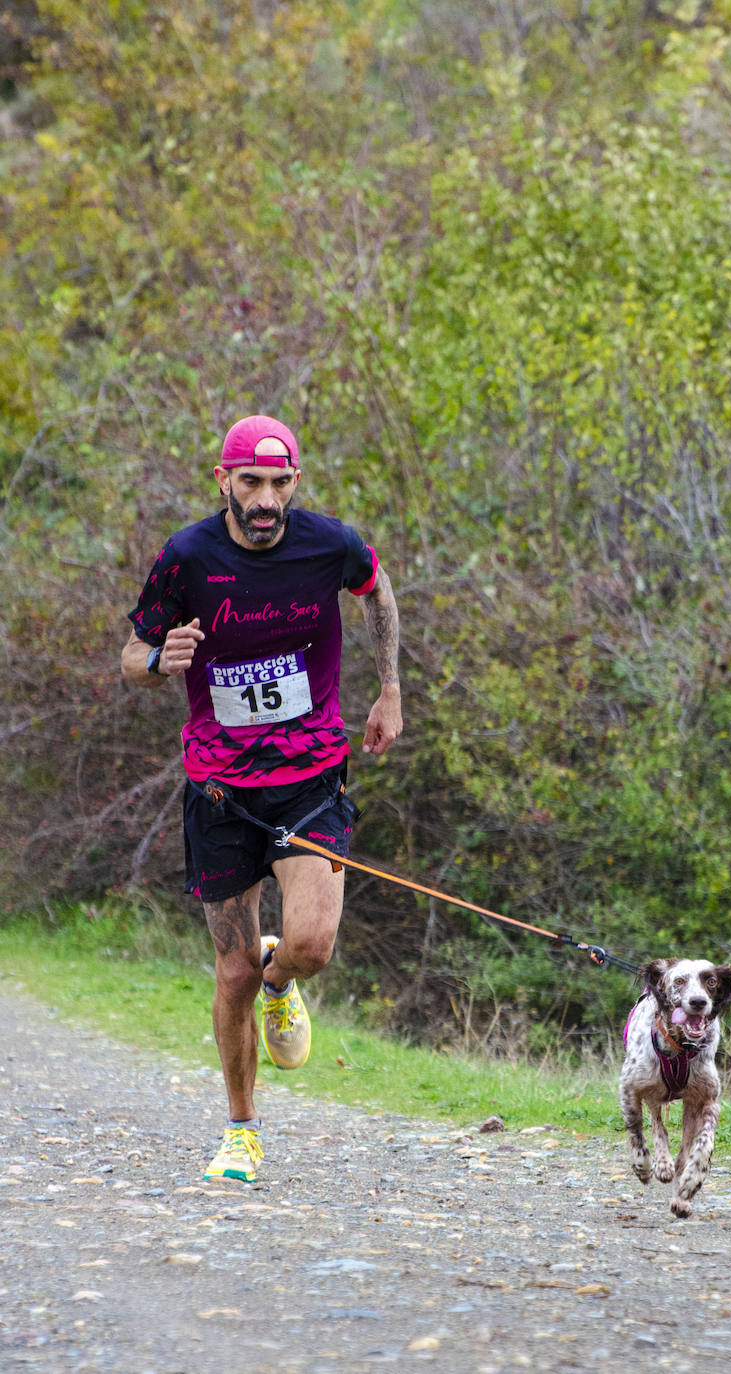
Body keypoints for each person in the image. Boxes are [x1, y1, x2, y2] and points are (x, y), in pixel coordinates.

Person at [121, 414, 402, 1182]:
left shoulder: (330, 544)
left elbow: (378, 592)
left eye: (280, 484)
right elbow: (132, 653)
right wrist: (157, 660)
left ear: (295, 485)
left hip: (310, 775)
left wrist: (389, 690)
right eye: (252, 482)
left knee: (308, 945)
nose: (266, 499)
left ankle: (284, 983)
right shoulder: (186, 557)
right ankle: (241, 1129)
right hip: (219, 789)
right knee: (232, 969)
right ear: (224, 482)